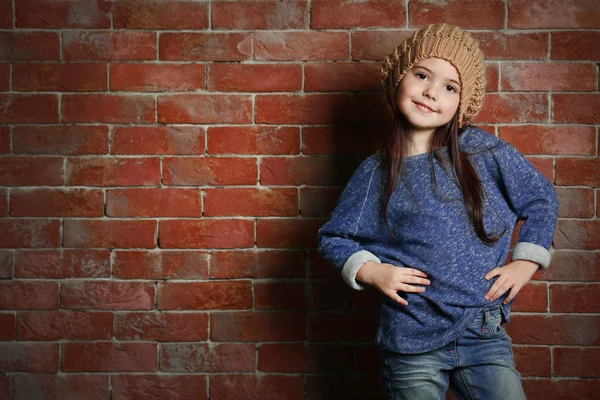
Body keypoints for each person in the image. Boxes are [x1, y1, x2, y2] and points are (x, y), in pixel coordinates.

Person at [317, 23, 559, 400]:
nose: (432, 92)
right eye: (422, 75)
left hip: (482, 331)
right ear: (401, 77)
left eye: (450, 86)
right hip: (411, 338)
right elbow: (335, 236)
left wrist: (525, 262)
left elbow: (541, 199)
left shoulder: (481, 150)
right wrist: (372, 270)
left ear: (462, 102)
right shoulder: (375, 172)